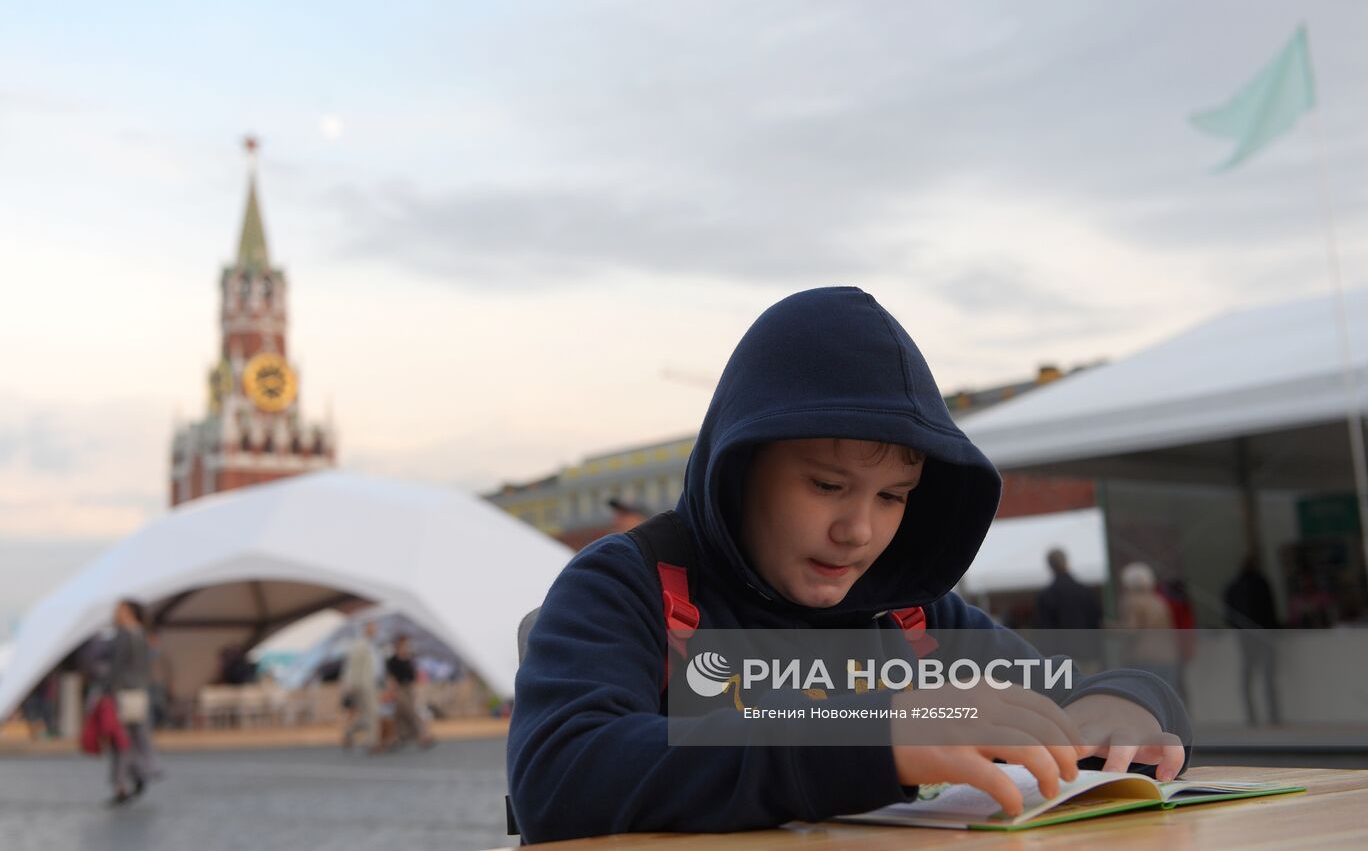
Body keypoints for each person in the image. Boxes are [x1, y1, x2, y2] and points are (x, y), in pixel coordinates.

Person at [509, 287, 1191, 843]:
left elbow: (1064, 693)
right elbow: (560, 773)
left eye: (893, 497)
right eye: (827, 486)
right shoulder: (627, 584)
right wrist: (873, 733)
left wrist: (1127, 704)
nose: (859, 530)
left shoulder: (906, 610)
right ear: (739, 469)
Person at [106, 599, 156, 805]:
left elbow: (116, 666)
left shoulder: (122, 635)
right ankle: (141, 772)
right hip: (140, 692)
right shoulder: (143, 634)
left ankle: (121, 783)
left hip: (124, 693)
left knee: (121, 740)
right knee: (139, 737)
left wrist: (110, 690)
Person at [1223, 555, 1282, 726]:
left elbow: (1229, 615)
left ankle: (1252, 716)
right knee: (1267, 676)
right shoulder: (1260, 583)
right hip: (1262, 634)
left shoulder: (1233, 586)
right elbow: (1270, 609)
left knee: (1249, 676)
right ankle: (1272, 715)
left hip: (1246, 636)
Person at [1115, 562, 1180, 694]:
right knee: (1165, 699)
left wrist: (1110, 628)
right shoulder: (1159, 601)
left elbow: (1131, 631)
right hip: (1168, 657)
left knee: (1143, 699)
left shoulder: (1131, 601)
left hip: (1143, 657)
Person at [1035, 547, 1104, 671]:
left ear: (1049, 566)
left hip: (1060, 656)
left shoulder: (1046, 595)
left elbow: (1045, 629)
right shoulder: (1085, 591)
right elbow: (1097, 621)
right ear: (1066, 562)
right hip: (1087, 650)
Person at [382, 635, 434, 751]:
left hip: (408, 688)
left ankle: (399, 737)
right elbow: (391, 678)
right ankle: (423, 734)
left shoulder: (409, 659)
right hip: (399, 689)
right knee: (410, 711)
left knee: (400, 714)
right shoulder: (392, 661)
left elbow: (413, 676)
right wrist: (392, 691)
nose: (405, 648)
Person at [340, 621, 381, 751]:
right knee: (373, 712)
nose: (374, 629)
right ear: (365, 629)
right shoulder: (360, 645)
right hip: (362, 685)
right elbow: (352, 667)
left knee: (368, 714)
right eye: (371, 627)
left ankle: (350, 731)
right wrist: (351, 684)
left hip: (372, 683)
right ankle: (372, 742)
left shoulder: (373, 645)